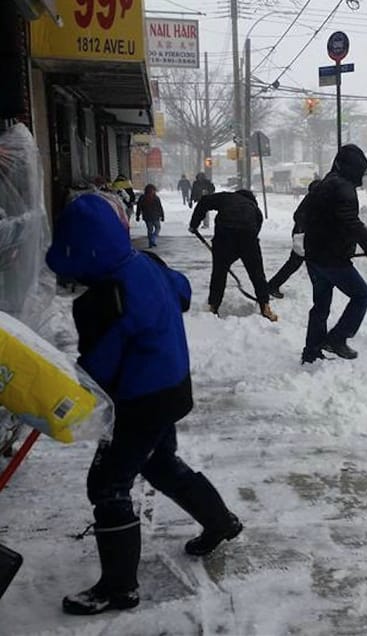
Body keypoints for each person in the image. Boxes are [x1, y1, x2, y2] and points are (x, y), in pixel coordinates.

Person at [45, 193, 243, 616]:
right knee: (158, 462)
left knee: (108, 484)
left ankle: (118, 589)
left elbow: (99, 370)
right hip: (172, 388)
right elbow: (183, 291)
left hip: (139, 401)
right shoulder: (146, 264)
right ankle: (220, 521)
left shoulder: (101, 301)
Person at [301, 144, 367, 364]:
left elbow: (303, 214)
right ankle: (337, 338)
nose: (362, 178)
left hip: (314, 256)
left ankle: (312, 352)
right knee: (362, 295)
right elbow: (348, 221)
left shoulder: (324, 184)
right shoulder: (344, 187)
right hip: (332, 258)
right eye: (361, 172)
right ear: (353, 170)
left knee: (321, 305)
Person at [189, 189, 278, 321]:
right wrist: (242, 252)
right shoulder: (255, 210)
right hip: (248, 239)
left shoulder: (227, 197)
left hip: (224, 236)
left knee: (219, 273)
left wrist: (194, 224)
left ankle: (213, 306)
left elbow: (204, 201)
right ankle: (265, 306)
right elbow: (255, 232)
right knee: (257, 274)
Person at [267, 179, 321, 299]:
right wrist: (302, 232)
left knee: (295, 264)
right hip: (303, 237)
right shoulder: (313, 200)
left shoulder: (312, 199)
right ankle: (272, 285)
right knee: (297, 263)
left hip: (304, 236)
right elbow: (299, 216)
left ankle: (272, 285)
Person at [135, 184, 165, 248]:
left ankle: (150, 243)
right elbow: (160, 207)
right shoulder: (156, 198)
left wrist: (137, 216)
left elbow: (139, 207)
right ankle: (153, 238)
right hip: (155, 216)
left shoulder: (142, 197)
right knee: (158, 228)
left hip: (147, 216)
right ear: (153, 190)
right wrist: (162, 216)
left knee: (149, 229)